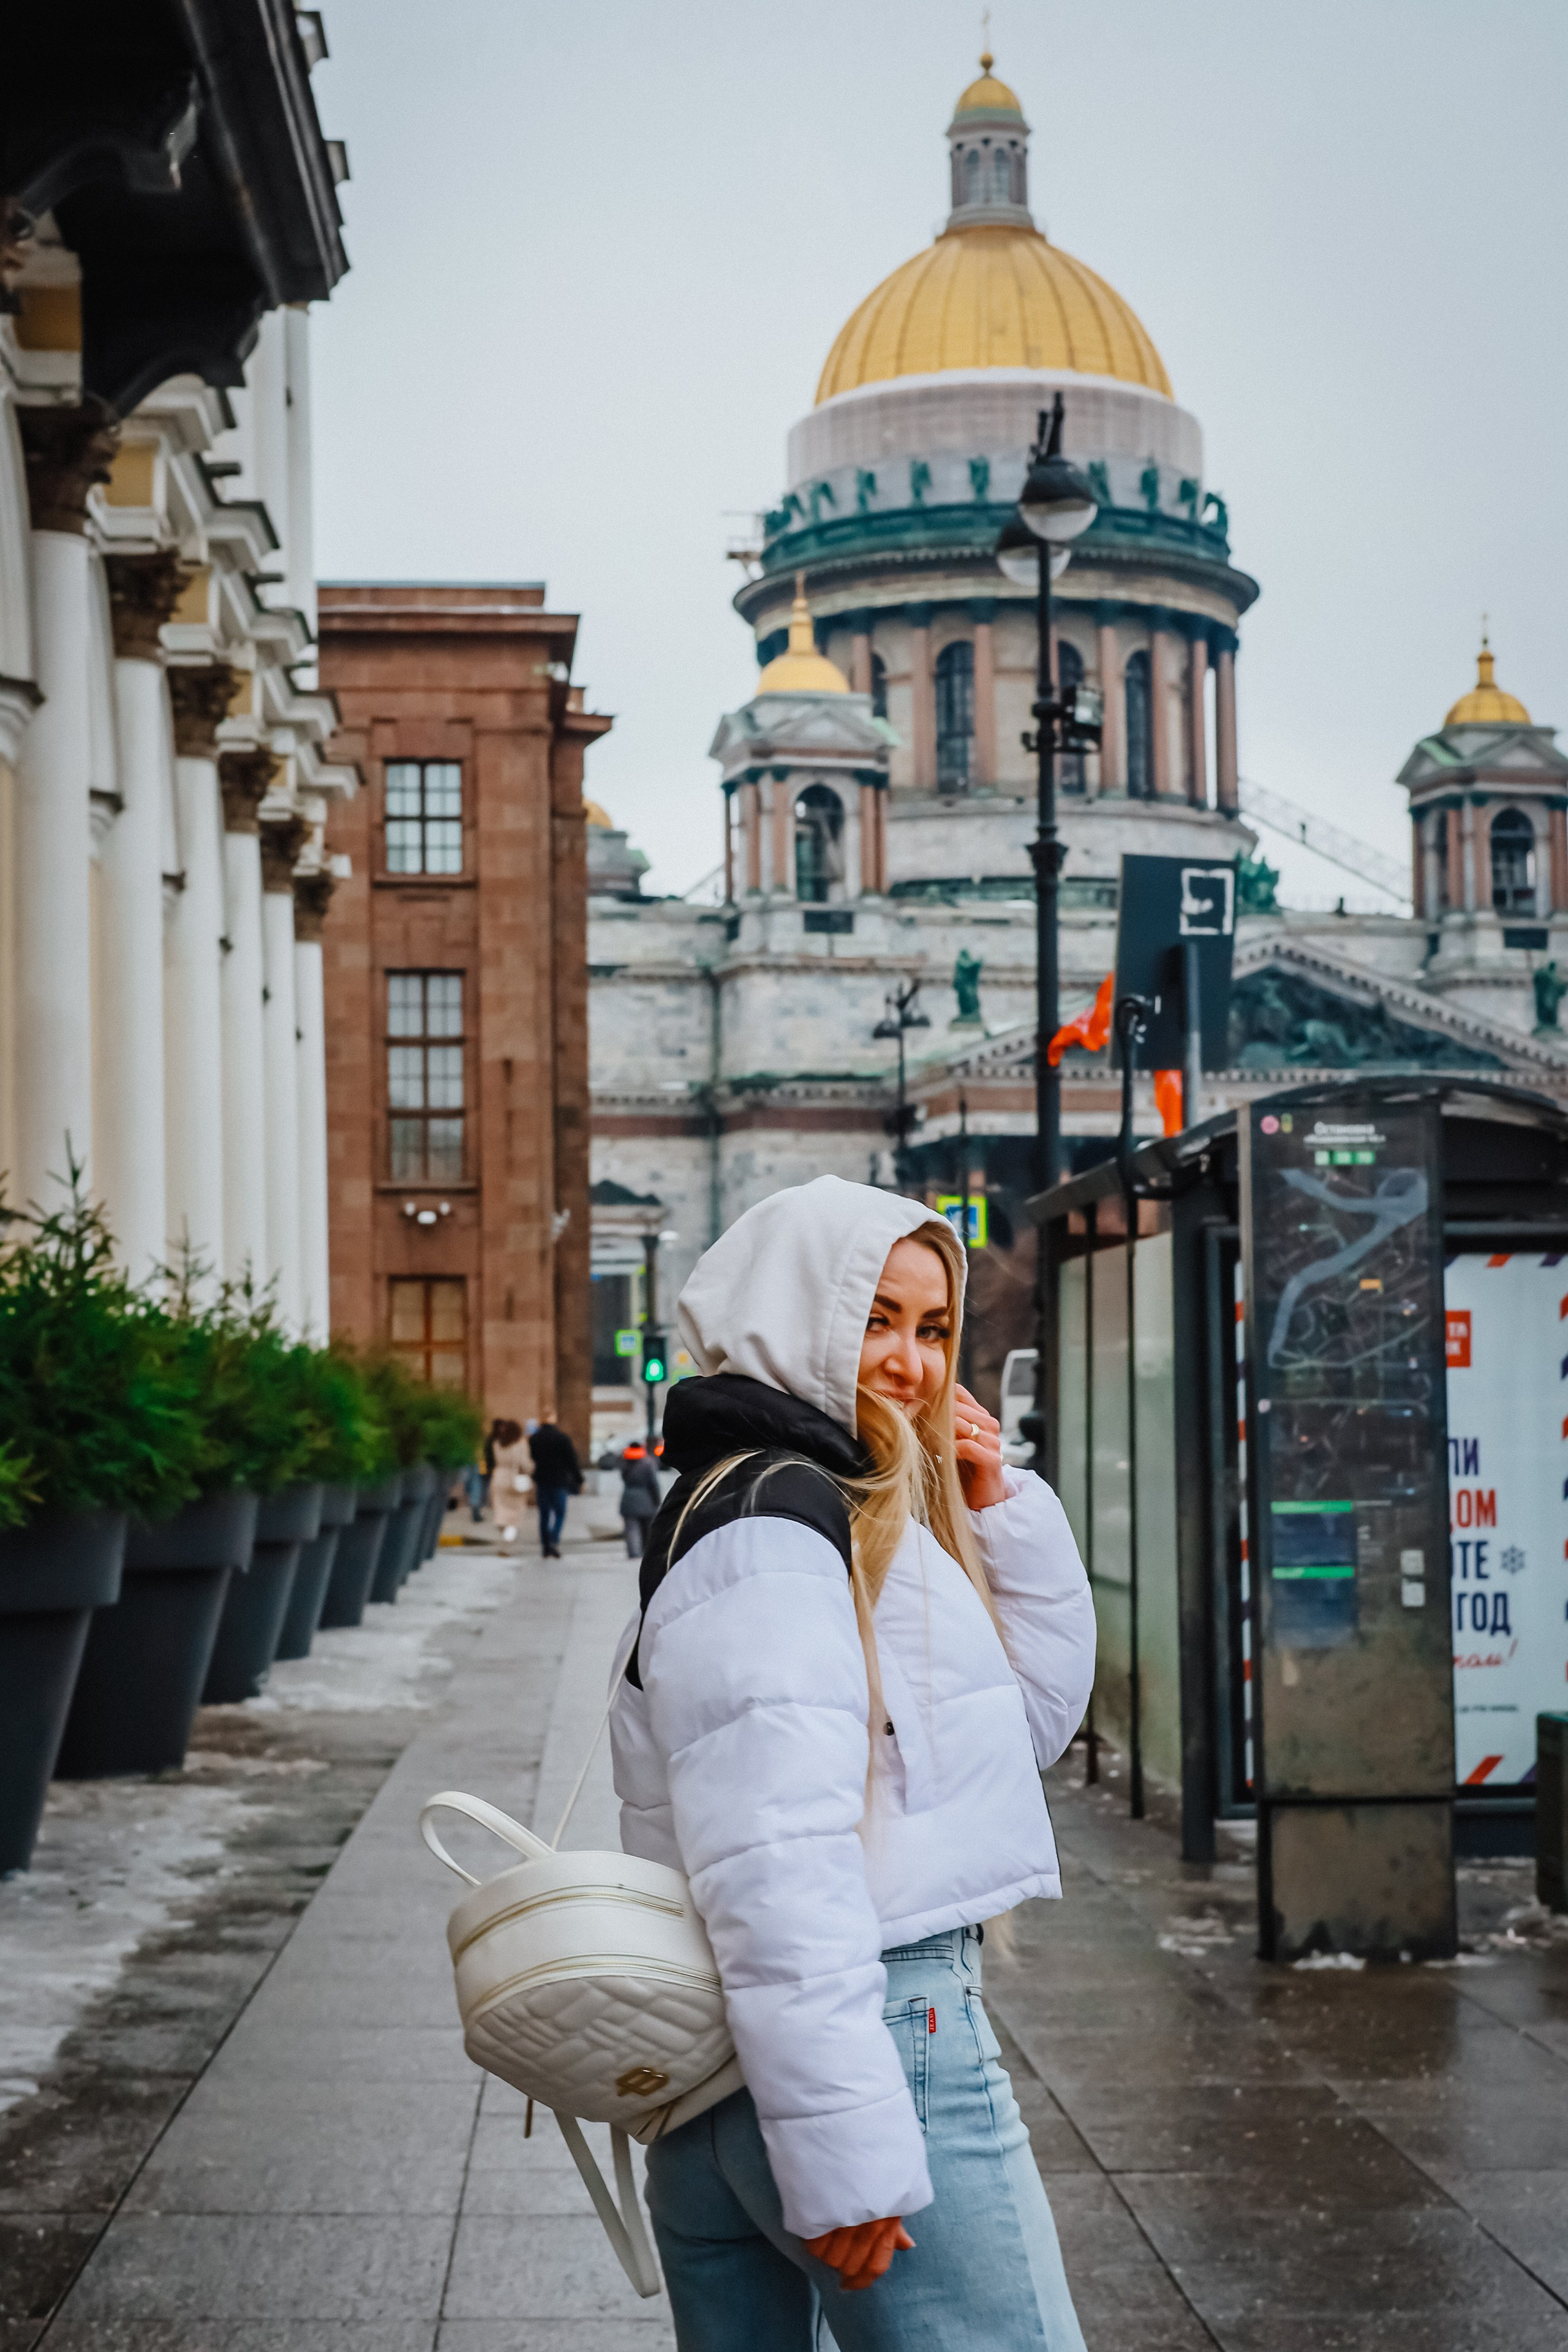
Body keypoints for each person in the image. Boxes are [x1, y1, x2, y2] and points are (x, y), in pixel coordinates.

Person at [609, 1174, 1096, 2348]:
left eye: (934, 1330)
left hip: (740, 2076)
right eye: (875, 1318)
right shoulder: (778, 1527)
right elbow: (774, 1861)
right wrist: (843, 2151)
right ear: (796, 1312)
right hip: (870, 2044)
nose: (914, 1362)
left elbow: (1019, 1734)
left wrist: (998, 1510)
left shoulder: (813, 1507)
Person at [526, 1410, 580, 1559]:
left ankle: (545, 1545)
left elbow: (532, 1458)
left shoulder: (534, 1439)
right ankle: (554, 1541)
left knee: (544, 1515)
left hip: (542, 1481)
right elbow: (572, 1461)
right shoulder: (562, 1438)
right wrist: (579, 1479)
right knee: (560, 1513)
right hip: (559, 1481)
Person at [617, 1441, 662, 1559]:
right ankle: (646, 1551)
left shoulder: (624, 1462)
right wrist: (657, 1500)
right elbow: (654, 1484)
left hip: (628, 1499)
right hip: (647, 1499)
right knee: (647, 1529)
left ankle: (633, 1552)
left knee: (631, 1529)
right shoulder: (648, 1463)